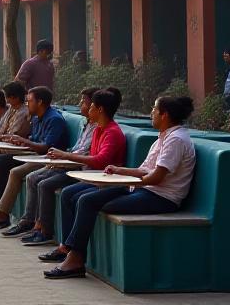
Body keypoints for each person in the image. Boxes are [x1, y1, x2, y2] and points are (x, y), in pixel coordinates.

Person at [41, 96, 197, 280]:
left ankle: (75, 259)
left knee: (91, 203)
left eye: (154, 109)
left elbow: (156, 178)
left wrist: (124, 182)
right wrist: (119, 171)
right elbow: (145, 170)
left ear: (165, 115)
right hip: (143, 189)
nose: (151, 113)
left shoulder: (176, 140)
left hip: (162, 197)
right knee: (85, 199)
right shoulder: (163, 137)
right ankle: (72, 253)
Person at [8, 88, 125, 245]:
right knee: (60, 191)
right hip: (87, 174)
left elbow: (99, 160)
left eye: (88, 105)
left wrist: (64, 156)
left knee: (69, 194)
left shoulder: (112, 132)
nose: (83, 106)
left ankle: (63, 243)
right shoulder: (98, 129)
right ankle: (62, 243)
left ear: (99, 109)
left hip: (97, 178)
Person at [0, 85, 70, 229]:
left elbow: (46, 147)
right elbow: (35, 139)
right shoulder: (37, 117)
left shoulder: (54, 119)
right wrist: (21, 140)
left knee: (14, 171)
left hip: (47, 158)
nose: (27, 104)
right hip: (34, 155)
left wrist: (25, 141)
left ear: (40, 102)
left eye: (30, 101)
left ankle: (4, 215)